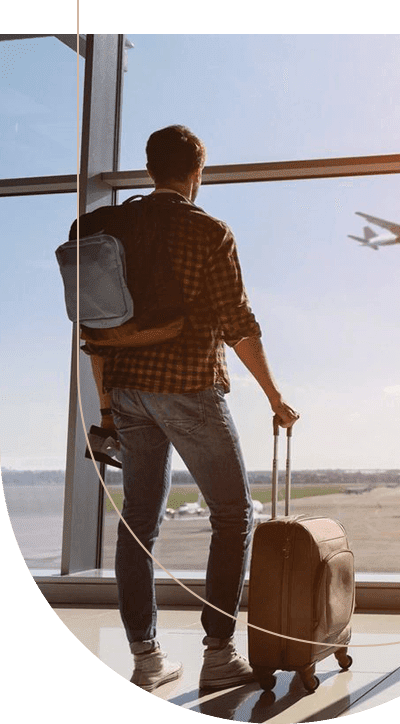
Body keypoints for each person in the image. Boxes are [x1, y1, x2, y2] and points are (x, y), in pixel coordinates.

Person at [78, 125, 299, 692]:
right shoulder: (209, 232)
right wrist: (275, 396)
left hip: (127, 392)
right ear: (197, 172)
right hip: (189, 387)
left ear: (151, 169)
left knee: (139, 523)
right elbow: (238, 324)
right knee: (233, 514)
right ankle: (219, 652)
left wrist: (105, 408)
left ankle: (147, 658)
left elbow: (94, 326)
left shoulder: (112, 227)